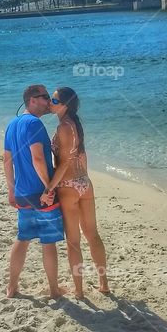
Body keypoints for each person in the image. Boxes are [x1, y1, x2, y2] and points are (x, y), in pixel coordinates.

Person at [40, 87, 109, 299]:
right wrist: (83, 178)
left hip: (68, 185)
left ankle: (79, 291)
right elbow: (81, 156)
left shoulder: (63, 127)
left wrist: (49, 187)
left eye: (54, 99)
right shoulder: (75, 125)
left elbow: (64, 163)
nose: (49, 102)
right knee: (92, 235)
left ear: (65, 105)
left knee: (73, 241)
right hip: (84, 182)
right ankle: (103, 284)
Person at [3, 84, 65, 298]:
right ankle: (54, 289)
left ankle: (12, 287)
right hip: (41, 193)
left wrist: (11, 191)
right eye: (45, 97)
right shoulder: (34, 124)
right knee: (48, 242)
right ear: (32, 100)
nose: (49, 102)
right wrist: (48, 188)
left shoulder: (12, 125)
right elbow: (38, 158)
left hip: (22, 194)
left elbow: (7, 161)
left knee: (23, 238)